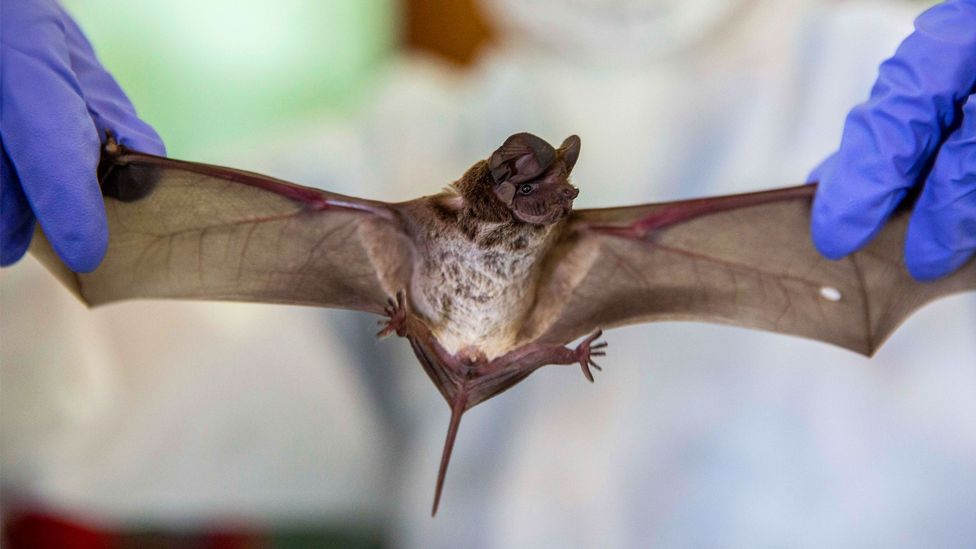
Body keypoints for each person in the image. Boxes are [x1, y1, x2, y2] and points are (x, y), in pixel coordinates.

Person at [2, 1, 974, 547]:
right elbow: (102, 394)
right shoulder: (398, 156)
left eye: (540, 181)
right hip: (450, 336)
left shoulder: (913, 123)